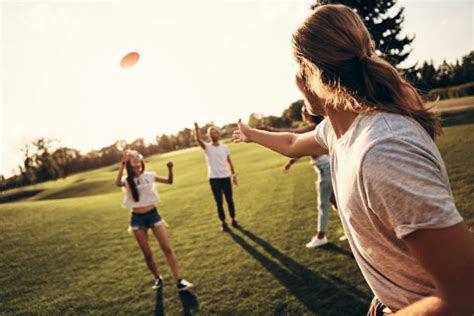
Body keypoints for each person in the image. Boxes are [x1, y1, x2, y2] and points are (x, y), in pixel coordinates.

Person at [232, 4, 474, 314]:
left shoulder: (383, 150)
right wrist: (251, 133)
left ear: (309, 72)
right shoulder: (339, 132)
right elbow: (293, 142)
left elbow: (465, 294)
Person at [259, 108, 345, 248]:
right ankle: (349, 229)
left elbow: (293, 136)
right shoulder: (317, 127)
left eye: (304, 111)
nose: (302, 114)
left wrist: (269, 129)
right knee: (335, 202)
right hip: (328, 169)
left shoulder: (314, 128)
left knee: (323, 204)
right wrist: (290, 162)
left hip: (326, 171)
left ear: (310, 113)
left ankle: (321, 236)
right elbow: (302, 148)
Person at [115, 150, 193, 291]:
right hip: (137, 219)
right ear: (129, 163)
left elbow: (169, 181)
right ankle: (157, 277)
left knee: (167, 248)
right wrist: (122, 165)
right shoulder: (127, 180)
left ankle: (179, 280)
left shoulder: (150, 175)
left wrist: (170, 169)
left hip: (153, 215)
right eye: (132, 158)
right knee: (148, 254)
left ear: (141, 161)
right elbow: (117, 183)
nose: (136, 159)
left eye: (137, 157)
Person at [194, 123, 238, 232]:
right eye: (211, 134)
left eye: (215, 133)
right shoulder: (207, 147)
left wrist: (234, 175)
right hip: (214, 178)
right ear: (209, 136)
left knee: (229, 200)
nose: (213, 135)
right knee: (219, 202)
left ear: (218, 134)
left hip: (225, 177)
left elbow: (229, 162)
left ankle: (233, 219)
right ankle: (223, 222)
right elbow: (198, 140)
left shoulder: (225, 147)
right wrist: (196, 129)